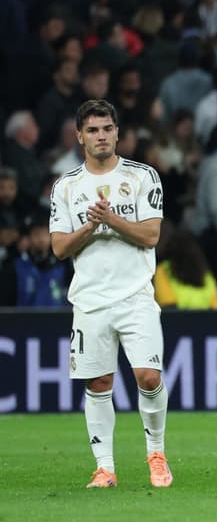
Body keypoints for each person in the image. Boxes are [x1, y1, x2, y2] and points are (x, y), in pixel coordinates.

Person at [49, 99, 172, 488]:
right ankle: (105, 468)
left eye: (107, 129)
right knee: (98, 383)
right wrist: (90, 226)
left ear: (117, 133)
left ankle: (156, 453)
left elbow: (151, 235)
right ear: (79, 136)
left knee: (148, 376)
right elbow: (58, 247)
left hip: (135, 296)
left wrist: (111, 219)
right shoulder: (66, 186)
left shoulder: (142, 177)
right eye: (93, 130)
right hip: (89, 300)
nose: (101, 136)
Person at [153, 230, 217, 310]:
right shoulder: (207, 275)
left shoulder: (162, 271)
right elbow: (215, 308)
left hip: (176, 321)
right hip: (206, 321)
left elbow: (168, 306)